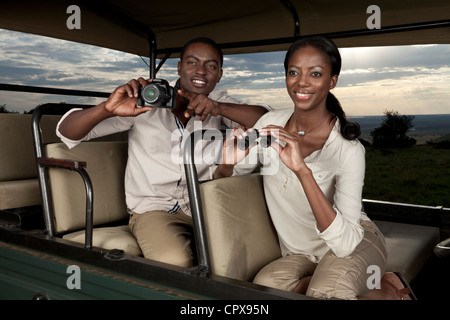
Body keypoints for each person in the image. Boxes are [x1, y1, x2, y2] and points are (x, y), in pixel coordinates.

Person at [214, 36, 415, 300]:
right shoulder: (269, 122)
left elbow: (344, 244)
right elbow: (229, 176)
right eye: (293, 72)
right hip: (300, 252)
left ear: (332, 81)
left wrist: (303, 172)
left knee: (327, 292)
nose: (302, 82)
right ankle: (378, 289)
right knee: (265, 287)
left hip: (353, 242)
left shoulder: (349, 149)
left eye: (315, 73)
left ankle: (380, 286)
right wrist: (227, 162)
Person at [56, 37, 270, 268]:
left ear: (219, 75)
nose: (201, 71)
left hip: (205, 204)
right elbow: (68, 131)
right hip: (154, 209)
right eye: (192, 62)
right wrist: (107, 109)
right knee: (175, 261)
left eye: (211, 65)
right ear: (179, 67)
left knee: (244, 256)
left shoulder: (218, 101)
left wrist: (219, 108)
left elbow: (268, 120)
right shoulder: (146, 100)